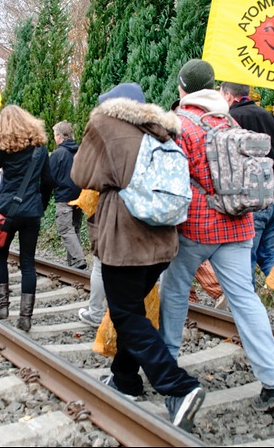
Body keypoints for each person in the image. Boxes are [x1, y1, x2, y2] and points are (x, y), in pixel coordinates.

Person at [159, 59, 274, 414]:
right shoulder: (227, 118)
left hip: (196, 227)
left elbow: (172, 181)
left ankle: (166, 370)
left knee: (173, 293)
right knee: (246, 301)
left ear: (183, 88)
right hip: (238, 224)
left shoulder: (181, 123)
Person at [72, 83, 206, 432]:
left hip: (126, 239)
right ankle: (125, 379)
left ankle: (179, 386)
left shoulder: (105, 124)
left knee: (125, 313)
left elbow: (80, 175)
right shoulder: (163, 129)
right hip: (162, 240)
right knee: (130, 308)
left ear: (111, 106)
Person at [222, 81, 274, 316]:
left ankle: (248, 318)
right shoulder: (269, 117)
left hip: (255, 200)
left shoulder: (231, 120)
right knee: (270, 258)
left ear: (228, 96)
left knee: (246, 261)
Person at [0, 106, 53, 331]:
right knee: (28, 264)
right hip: (31, 211)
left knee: (0, 256)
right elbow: (48, 181)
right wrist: (40, 205)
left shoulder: (5, 147)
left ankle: (3, 307)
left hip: (7, 210)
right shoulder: (40, 149)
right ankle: (25, 318)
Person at [50, 121, 87, 270]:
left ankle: (79, 260)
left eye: (54, 135)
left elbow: (49, 177)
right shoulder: (81, 152)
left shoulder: (58, 154)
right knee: (75, 229)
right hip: (79, 197)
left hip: (64, 198)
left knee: (65, 230)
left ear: (59, 136)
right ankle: (73, 264)